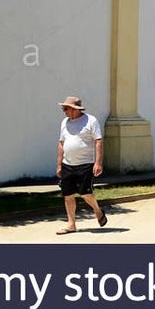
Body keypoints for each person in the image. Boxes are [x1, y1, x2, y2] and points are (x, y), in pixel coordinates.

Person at [55, 96, 107, 235]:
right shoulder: (65, 122)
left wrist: (98, 162)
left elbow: (98, 141)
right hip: (68, 164)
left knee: (86, 193)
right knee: (68, 194)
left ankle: (97, 210)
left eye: (66, 108)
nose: (64, 111)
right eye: (63, 108)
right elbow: (61, 143)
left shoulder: (91, 120)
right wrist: (59, 164)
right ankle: (71, 224)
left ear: (75, 109)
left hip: (86, 164)